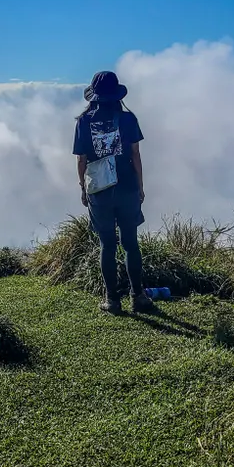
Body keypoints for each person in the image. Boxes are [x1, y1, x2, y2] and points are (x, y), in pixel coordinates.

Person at [73, 71, 155, 314]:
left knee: (107, 245)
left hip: (100, 191)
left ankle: (112, 300)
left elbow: (81, 160)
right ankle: (138, 296)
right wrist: (140, 186)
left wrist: (83, 189)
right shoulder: (128, 119)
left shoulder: (84, 121)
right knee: (131, 243)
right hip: (127, 186)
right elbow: (135, 155)